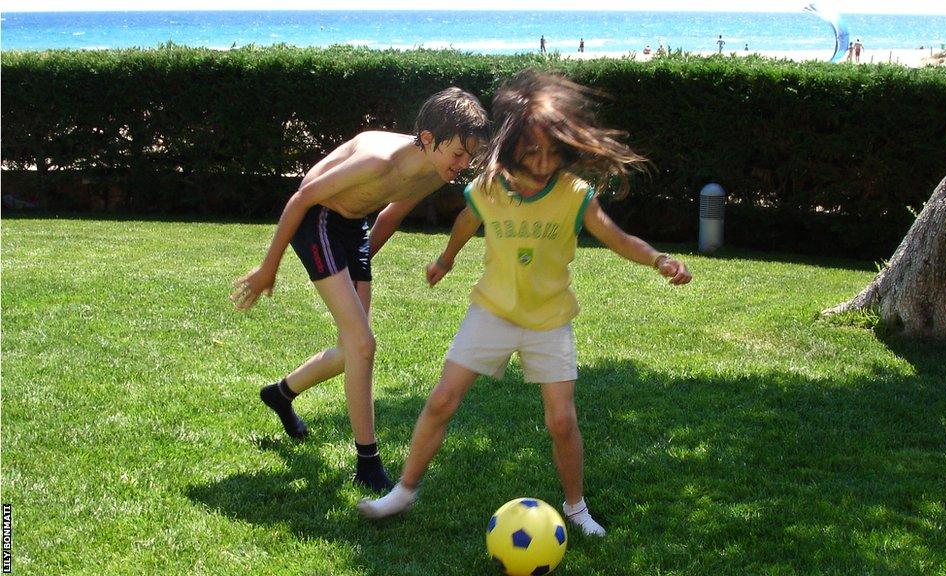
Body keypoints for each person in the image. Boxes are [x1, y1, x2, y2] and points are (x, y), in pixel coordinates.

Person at [356, 70, 692, 535]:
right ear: (512, 144)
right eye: (532, 149)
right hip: (490, 311)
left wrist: (659, 259)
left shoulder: (575, 195)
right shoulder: (489, 188)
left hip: (548, 321)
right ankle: (404, 491)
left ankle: (575, 507)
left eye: (553, 150)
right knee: (441, 401)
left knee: (560, 420)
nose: (542, 160)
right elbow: (466, 221)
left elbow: (616, 239)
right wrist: (446, 259)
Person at [231, 87, 489, 493]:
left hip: (353, 229)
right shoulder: (379, 160)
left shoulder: (432, 171)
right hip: (317, 218)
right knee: (363, 345)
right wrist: (268, 267)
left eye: (470, 156)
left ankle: (281, 394)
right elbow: (302, 199)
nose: (464, 164)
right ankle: (368, 463)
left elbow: (390, 215)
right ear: (427, 139)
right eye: (458, 153)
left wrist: (359, 269)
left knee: (354, 348)